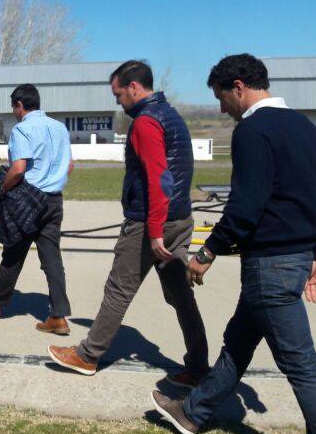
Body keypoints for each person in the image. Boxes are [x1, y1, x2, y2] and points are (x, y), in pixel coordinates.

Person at [151, 53, 316, 434]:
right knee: (238, 343)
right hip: (294, 257)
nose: (222, 109)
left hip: (269, 264)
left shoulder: (253, 131)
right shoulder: (305, 127)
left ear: (238, 86)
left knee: (300, 363)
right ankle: (192, 413)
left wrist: (207, 252)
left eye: (221, 98)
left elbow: (245, 206)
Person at [47, 61, 210, 383]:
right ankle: (198, 365)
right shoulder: (171, 115)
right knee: (181, 296)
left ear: (134, 87)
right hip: (179, 218)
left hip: (151, 223)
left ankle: (87, 356)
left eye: (118, 94)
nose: (117, 101)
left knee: (118, 290)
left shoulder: (146, 122)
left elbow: (159, 178)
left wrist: (154, 230)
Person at [0, 84, 74, 334]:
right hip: (54, 200)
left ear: (19, 105)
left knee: (13, 251)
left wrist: (3, 190)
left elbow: (18, 169)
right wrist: (52, 182)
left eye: (14, 107)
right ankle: (58, 316)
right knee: (52, 259)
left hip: (28, 199)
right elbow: (69, 166)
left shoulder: (22, 129)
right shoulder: (59, 128)